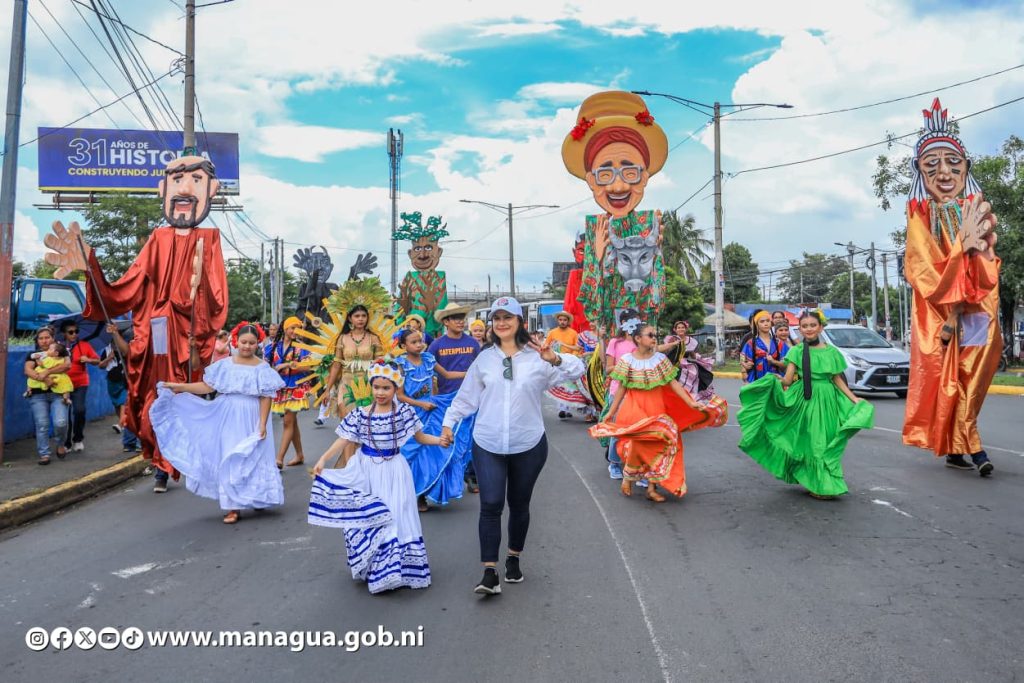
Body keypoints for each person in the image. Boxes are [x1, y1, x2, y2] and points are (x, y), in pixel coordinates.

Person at [43, 156, 229, 492]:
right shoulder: (158, 239)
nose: (185, 189)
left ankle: (179, 462)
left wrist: (194, 297)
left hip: (185, 341)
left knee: (182, 404)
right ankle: (161, 465)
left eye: (197, 180)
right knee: (151, 404)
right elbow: (123, 291)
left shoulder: (210, 238)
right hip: (154, 339)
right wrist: (90, 265)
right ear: (163, 189)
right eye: (177, 181)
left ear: (212, 190)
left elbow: (217, 300)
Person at [441, 297, 585, 596]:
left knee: (519, 504)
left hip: (528, 443)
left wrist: (554, 358)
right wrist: (448, 424)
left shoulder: (538, 357)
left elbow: (577, 369)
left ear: (520, 322)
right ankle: (489, 572)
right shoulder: (484, 359)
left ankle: (513, 558)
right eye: (497, 318)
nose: (502, 323)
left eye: (508, 317)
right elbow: (466, 398)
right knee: (491, 504)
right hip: (488, 442)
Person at [902, 99, 1001, 476]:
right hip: (940, 316)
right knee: (948, 380)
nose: (944, 172)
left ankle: (956, 446)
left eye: (953, 163)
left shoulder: (977, 209)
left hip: (979, 311)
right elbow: (923, 272)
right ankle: (974, 448)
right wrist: (963, 249)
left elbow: (988, 270)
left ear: (966, 167)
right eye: (932, 165)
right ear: (920, 171)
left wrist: (980, 250)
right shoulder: (920, 216)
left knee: (971, 378)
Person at [309, 361, 442, 594]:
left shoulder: (403, 412)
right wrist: (323, 459)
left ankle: (397, 569)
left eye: (386, 388)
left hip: (395, 471)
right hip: (367, 471)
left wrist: (440, 440)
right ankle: (376, 567)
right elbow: (345, 439)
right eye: (377, 387)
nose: (380, 392)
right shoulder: (361, 414)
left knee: (396, 515)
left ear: (396, 388)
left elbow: (420, 438)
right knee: (372, 517)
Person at [151, 323, 284, 523]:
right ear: (236, 341)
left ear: (258, 344)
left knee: (253, 457)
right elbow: (207, 387)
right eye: (244, 342)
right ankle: (232, 507)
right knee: (229, 456)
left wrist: (263, 424)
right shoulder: (225, 365)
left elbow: (266, 397)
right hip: (228, 415)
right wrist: (180, 387)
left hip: (253, 416)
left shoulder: (262, 368)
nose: (247, 346)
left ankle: (256, 495)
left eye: (252, 343)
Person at [737, 309, 875, 498]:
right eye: (804, 326)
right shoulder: (796, 351)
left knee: (827, 440)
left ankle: (824, 480)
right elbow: (787, 380)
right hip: (805, 400)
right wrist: (772, 381)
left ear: (820, 328)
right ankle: (819, 484)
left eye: (812, 325)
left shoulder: (832, 352)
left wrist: (854, 398)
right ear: (800, 329)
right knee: (814, 442)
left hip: (828, 400)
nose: (809, 329)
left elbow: (836, 378)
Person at [592, 322, 727, 502]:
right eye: (650, 335)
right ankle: (628, 477)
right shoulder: (627, 360)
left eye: (655, 335)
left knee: (658, 446)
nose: (654, 338)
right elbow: (622, 388)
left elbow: (673, 383)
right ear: (638, 339)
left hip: (657, 409)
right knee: (639, 445)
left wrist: (691, 402)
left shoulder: (660, 360)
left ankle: (651, 488)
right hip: (634, 409)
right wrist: (611, 412)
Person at [394, 329, 475, 512]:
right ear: (403, 346)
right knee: (410, 454)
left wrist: (469, 373)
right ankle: (406, 492)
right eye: (414, 342)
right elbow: (400, 396)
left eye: (420, 341)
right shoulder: (400, 365)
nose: (419, 345)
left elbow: (446, 374)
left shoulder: (429, 359)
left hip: (431, 411)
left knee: (431, 453)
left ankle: (422, 495)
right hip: (411, 414)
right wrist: (420, 404)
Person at [428, 302, 481, 492]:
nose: (460, 322)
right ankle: (443, 481)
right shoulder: (436, 345)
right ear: (446, 322)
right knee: (447, 440)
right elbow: (428, 370)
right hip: (445, 400)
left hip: (471, 398)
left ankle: (472, 477)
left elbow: (481, 369)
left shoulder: (472, 343)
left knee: (472, 439)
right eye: (456, 318)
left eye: (462, 318)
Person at [266, 317, 312, 468]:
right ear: (285, 328)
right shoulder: (273, 346)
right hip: (280, 387)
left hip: (296, 387)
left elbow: (308, 367)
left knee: (287, 421)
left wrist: (287, 365)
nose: (295, 331)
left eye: (298, 328)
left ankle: (279, 459)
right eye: (292, 327)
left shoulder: (302, 347)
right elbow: (266, 366)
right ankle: (299, 454)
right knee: (292, 422)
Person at [23, 326, 70, 464]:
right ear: (37, 340)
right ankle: (44, 454)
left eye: (47, 338)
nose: (44, 341)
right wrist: (44, 379)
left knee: (61, 422)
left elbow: (66, 366)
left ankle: (60, 443)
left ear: (53, 338)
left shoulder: (61, 351)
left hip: (58, 393)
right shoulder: (33, 354)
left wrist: (47, 372)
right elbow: (28, 370)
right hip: (38, 395)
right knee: (42, 424)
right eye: (41, 338)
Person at [60, 320, 100, 452]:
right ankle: (66, 443)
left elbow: (97, 360)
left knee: (79, 410)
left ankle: (78, 438)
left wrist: (88, 360)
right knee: (65, 415)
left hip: (80, 383)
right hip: (62, 385)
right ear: (64, 334)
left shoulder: (84, 345)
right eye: (70, 332)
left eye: (76, 331)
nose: (74, 334)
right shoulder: (58, 347)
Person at [544, 311, 592, 420]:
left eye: (564, 320)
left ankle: (566, 409)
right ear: (558, 320)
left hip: (569, 363)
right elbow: (546, 345)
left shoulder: (573, 333)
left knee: (569, 386)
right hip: (556, 361)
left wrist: (573, 357)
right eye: (560, 320)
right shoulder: (552, 333)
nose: (562, 322)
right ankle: (563, 409)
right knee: (560, 385)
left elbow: (578, 347)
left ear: (568, 321)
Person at [99, 323, 140, 452]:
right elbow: (101, 365)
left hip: (128, 383)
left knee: (126, 406)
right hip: (116, 382)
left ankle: (128, 435)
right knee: (125, 408)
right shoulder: (108, 350)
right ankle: (129, 439)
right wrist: (109, 358)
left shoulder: (130, 348)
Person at [665, 320, 716, 406]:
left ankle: (693, 398)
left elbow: (693, 355)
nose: (681, 329)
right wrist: (673, 345)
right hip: (673, 364)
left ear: (686, 329)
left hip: (686, 363)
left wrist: (699, 359)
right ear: (675, 330)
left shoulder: (691, 341)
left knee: (695, 371)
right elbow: (668, 352)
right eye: (678, 328)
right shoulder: (671, 339)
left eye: (682, 327)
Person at [741, 310, 785, 383]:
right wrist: (744, 367)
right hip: (757, 380)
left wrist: (774, 362)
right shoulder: (751, 343)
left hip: (775, 381)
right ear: (757, 325)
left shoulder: (779, 343)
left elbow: (787, 364)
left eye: (768, 321)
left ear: (771, 323)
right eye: (762, 321)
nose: (766, 324)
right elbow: (742, 358)